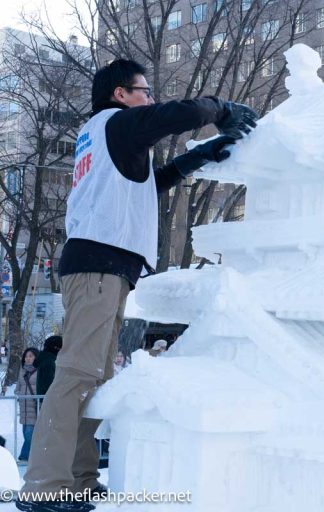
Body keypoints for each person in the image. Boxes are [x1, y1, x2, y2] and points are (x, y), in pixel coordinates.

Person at [17, 59, 256, 512]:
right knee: (76, 374)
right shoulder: (115, 123)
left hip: (103, 265)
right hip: (98, 265)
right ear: (120, 94)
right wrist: (220, 109)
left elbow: (147, 186)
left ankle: (79, 481)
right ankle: (45, 486)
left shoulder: (105, 138)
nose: (150, 97)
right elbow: (174, 115)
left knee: (92, 376)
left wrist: (198, 157)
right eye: (144, 90)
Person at [15, 347, 39, 462]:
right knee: (26, 433)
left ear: (36, 357)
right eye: (26, 356)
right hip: (24, 408)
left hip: (34, 407)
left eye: (31, 356)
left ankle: (25, 456)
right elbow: (18, 388)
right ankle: (30, 456)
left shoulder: (39, 370)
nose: (28, 358)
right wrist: (18, 394)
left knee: (29, 434)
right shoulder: (22, 370)